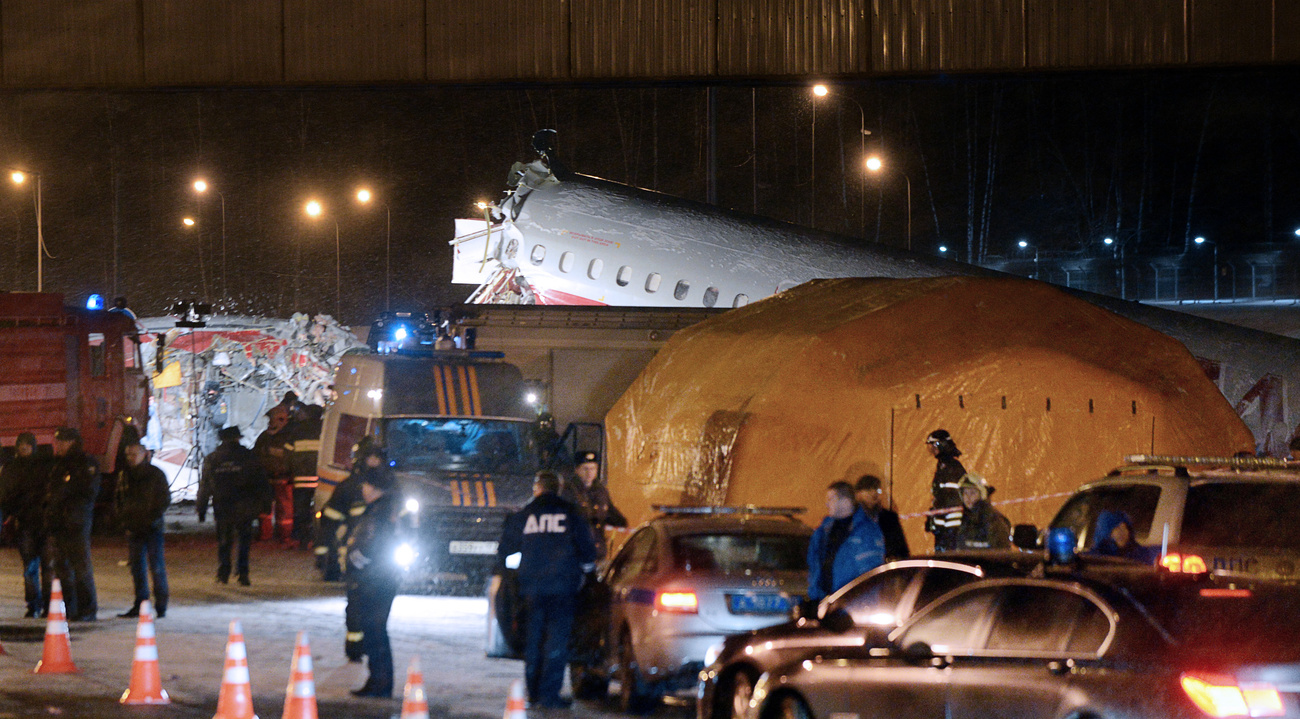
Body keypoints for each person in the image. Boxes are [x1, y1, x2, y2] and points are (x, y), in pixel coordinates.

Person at [497, 470, 597, 709]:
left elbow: (505, 552)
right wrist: (586, 573)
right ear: (559, 488)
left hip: (531, 587)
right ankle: (549, 695)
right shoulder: (571, 514)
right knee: (556, 641)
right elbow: (587, 552)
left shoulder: (525, 515)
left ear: (537, 488)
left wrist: (517, 570)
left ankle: (533, 693)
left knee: (534, 639)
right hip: (563, 587)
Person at [344, 462, 403, 698]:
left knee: (374, 630)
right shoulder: (385, 510)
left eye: (367, 484)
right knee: (375, 630)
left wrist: (354, 561)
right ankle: (378, 680)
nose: (363, 489)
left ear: (377, 488)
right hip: (381, 579)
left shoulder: (379, 513)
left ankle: (380, 682)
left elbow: (371, 547)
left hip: (374, 580)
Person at [198, 426, 272, 586]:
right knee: (244, 540)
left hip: (222, 505)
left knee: (224, 540)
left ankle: (223, 572)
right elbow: (261, 483)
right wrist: (266, 505)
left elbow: (205, 485)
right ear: (238, 438)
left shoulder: (213, 458)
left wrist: (201, 507)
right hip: (245, 504)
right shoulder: (249, 457)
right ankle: (243, 573)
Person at [44, 427, 100, 621]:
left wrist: (66, 498)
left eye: (61, 442)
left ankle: (87, 609)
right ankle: (70, 608)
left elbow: (87, 491)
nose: (57, 446)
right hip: (58, 523)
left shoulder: (85, 463)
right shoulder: (58, 465)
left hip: (76, 522)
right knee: (61, 568)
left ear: (71, 443)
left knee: (80, 566)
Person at [113, 437, 172, 618]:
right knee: (137, 568)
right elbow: (118, 499)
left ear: (144, 454)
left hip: (152, 528)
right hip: (134, 528)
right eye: (128, 454)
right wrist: (123, 519)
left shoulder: (155, 474)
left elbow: (163, 499)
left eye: (134, 454)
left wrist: (151, 518)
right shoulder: (124, 475)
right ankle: (140, 604)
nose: (130, 458)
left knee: (156, 566)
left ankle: (160, 605)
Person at [806, 481, 886, 603]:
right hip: (823, 603)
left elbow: (870, 573)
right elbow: (813, 566)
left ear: (845, 501)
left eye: (831, 499)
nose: (827, 503)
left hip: (853, 605)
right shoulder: (822, 531)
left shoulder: (867, 531)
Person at [317, 438, 384, 582]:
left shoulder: (391, 485)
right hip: (356, 546)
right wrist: (326, 559)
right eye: (371, 458)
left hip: (383, 546)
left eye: (376, 458)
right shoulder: (348, 487)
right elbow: (330, 523)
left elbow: (401, 514)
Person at [0, 432, 52, 617]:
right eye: (21, 445)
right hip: (25, 523)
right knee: (30, 567)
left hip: (43, 523)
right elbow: (5, 495)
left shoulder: (43, 466)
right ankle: (33, 605)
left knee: (47, 567)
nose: (23, 448)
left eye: (27, 445)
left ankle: (47, 605)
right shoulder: (12, 468)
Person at [560, 450, 627, 559]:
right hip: (577, 553)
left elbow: (610, 513)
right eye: (585, 469)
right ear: (577, 470)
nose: (589, 473)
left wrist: (620, 522)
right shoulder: (569, 491)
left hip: (598, 552)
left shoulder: (601, 491)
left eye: (593, 468)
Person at [253, 405, 294, 543]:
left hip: (284, 479)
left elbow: (293, 458)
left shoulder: (290, 437)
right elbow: (256, 455)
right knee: (264, 510)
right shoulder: (264, 437)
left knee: (285, 510)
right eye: (270, 420)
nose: (271, 423)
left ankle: (285, 535)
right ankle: (265, 534)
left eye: (274, 420)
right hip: (266, 479)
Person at [287, 403, 324, 549]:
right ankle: (318, 538)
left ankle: (303, 539)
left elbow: (287, 452)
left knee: (301, 511)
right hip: (322, 479)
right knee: (322, 510)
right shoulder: (325, 429)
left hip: (301, 478)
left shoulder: (297, 430)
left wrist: (291, 470)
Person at [925, 429, 966, 552]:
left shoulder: (951, 466)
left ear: (942, 445)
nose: (932, 450)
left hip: (952, 528)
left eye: (934, 446)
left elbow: (950, 498)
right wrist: (934, 517)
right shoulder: (943, 465)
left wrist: (939, 522)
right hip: (945, 527)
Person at [854, 475, 909, 561]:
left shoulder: (890, 518)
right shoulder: (852, 520)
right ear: (858, 494)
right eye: (868, 490)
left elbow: (901, 551)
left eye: (876, 489)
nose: (874, 493)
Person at [953, 473, 1011, 550]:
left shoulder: (994, 521)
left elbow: (1003, 554)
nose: (968, 497)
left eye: (973, 492)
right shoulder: (964, 520)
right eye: (965, 493)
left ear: (982, 494)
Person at [1089, 510, 1160, 564]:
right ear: (1106, 532)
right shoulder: (1096, 558)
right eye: (1116, 528)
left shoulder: (1138, 553)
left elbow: (1153, 555)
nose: (1122, 532)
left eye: (1124, 527)